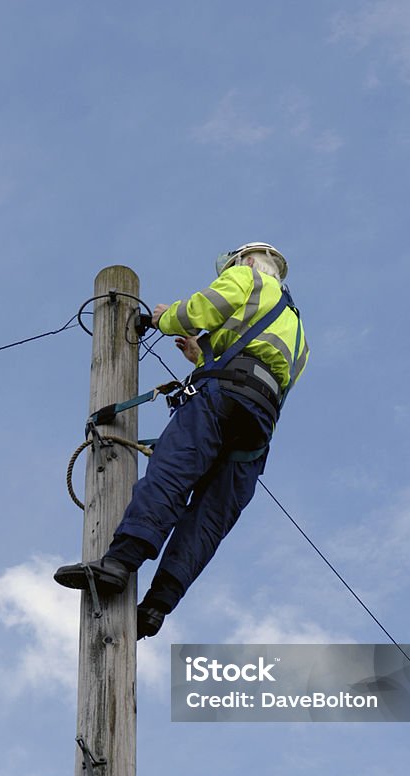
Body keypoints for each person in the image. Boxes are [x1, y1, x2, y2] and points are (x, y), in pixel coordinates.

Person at [54, 242, 309, 638]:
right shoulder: (298, 334)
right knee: (209, 519)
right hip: (258, 427)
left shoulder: (246, 276)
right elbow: (255, 359)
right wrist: (202, 356)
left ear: (242, 260)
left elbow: (200, 310)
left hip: (220, 401)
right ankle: (156, 607)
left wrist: (162, 318)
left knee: (171, 475)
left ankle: (119, 565)